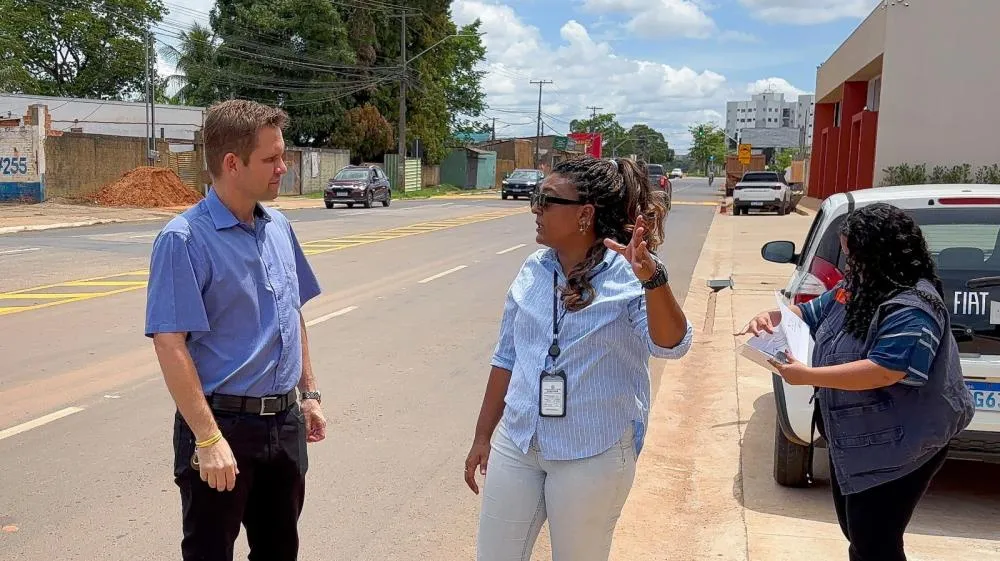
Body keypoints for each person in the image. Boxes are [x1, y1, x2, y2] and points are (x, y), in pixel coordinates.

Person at [465, 156, 693, 561]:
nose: (535, 207)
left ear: (585, 214)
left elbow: (672, 343)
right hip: (520, 441)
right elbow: (506, 358)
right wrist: (483, 435)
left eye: (546, 200)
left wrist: (653, 279)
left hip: (592, 450)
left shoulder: (629, 274)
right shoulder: (533, 270)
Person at [740, 203, 974, 561]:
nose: (848, 267)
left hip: (901, 443)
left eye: (854, 257)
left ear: (880, 254)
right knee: (859, 533)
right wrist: (770, 316)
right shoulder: (858, 287)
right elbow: (811, 311)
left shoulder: (913, 305)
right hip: (855, 437)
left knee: (874, 542)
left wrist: (808, 376)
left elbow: (886, 369)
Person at [145, 99, 327, 561]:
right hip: (222, 426)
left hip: (283, 425)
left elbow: (292, 313)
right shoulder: (183, 239)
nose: (283, 168)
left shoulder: (279, 226)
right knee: (210, 552)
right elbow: (170, 343)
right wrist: (207, 440)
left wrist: (309, 395)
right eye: (271, 159)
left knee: (280, 550)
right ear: (232, 163)